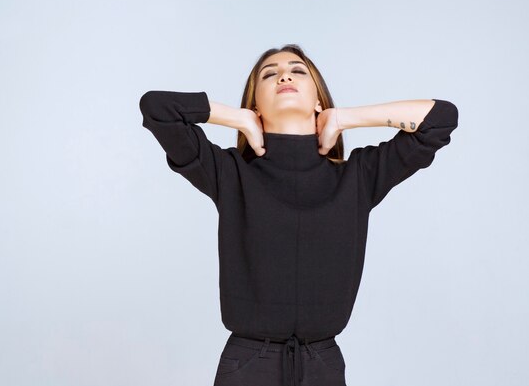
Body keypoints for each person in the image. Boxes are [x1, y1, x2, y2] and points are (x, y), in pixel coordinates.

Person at [138, 44, 459, 386]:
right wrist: (239, 117)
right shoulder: (229, 173)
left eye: (298, 70)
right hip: (247, 365)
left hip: (323, 365)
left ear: (319, 99)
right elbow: (157, 108)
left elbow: (441, 119)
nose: (285, 75)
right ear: (256, 103)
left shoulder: (359, 176)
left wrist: (344, 117)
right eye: (269, 74)